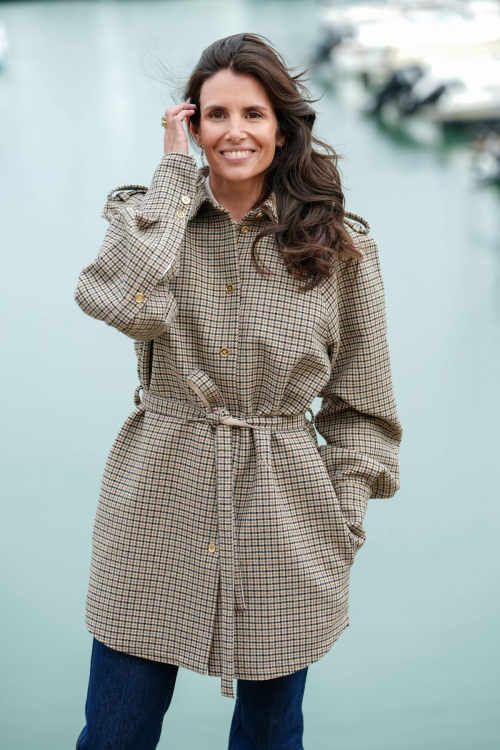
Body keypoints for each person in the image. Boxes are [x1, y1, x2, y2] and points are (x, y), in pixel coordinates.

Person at [73, 32, 403, 750]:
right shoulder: (149, 223)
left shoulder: (340, 247)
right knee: (115, 734)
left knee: (271, 736)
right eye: (215, 115)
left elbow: (364, 408)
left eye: (252, 114)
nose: (235, 132)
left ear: (281, 127)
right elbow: (122, 302)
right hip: (153, 510)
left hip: (287, 522)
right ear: (192, 125)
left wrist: (342, 522)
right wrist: (171, 174)